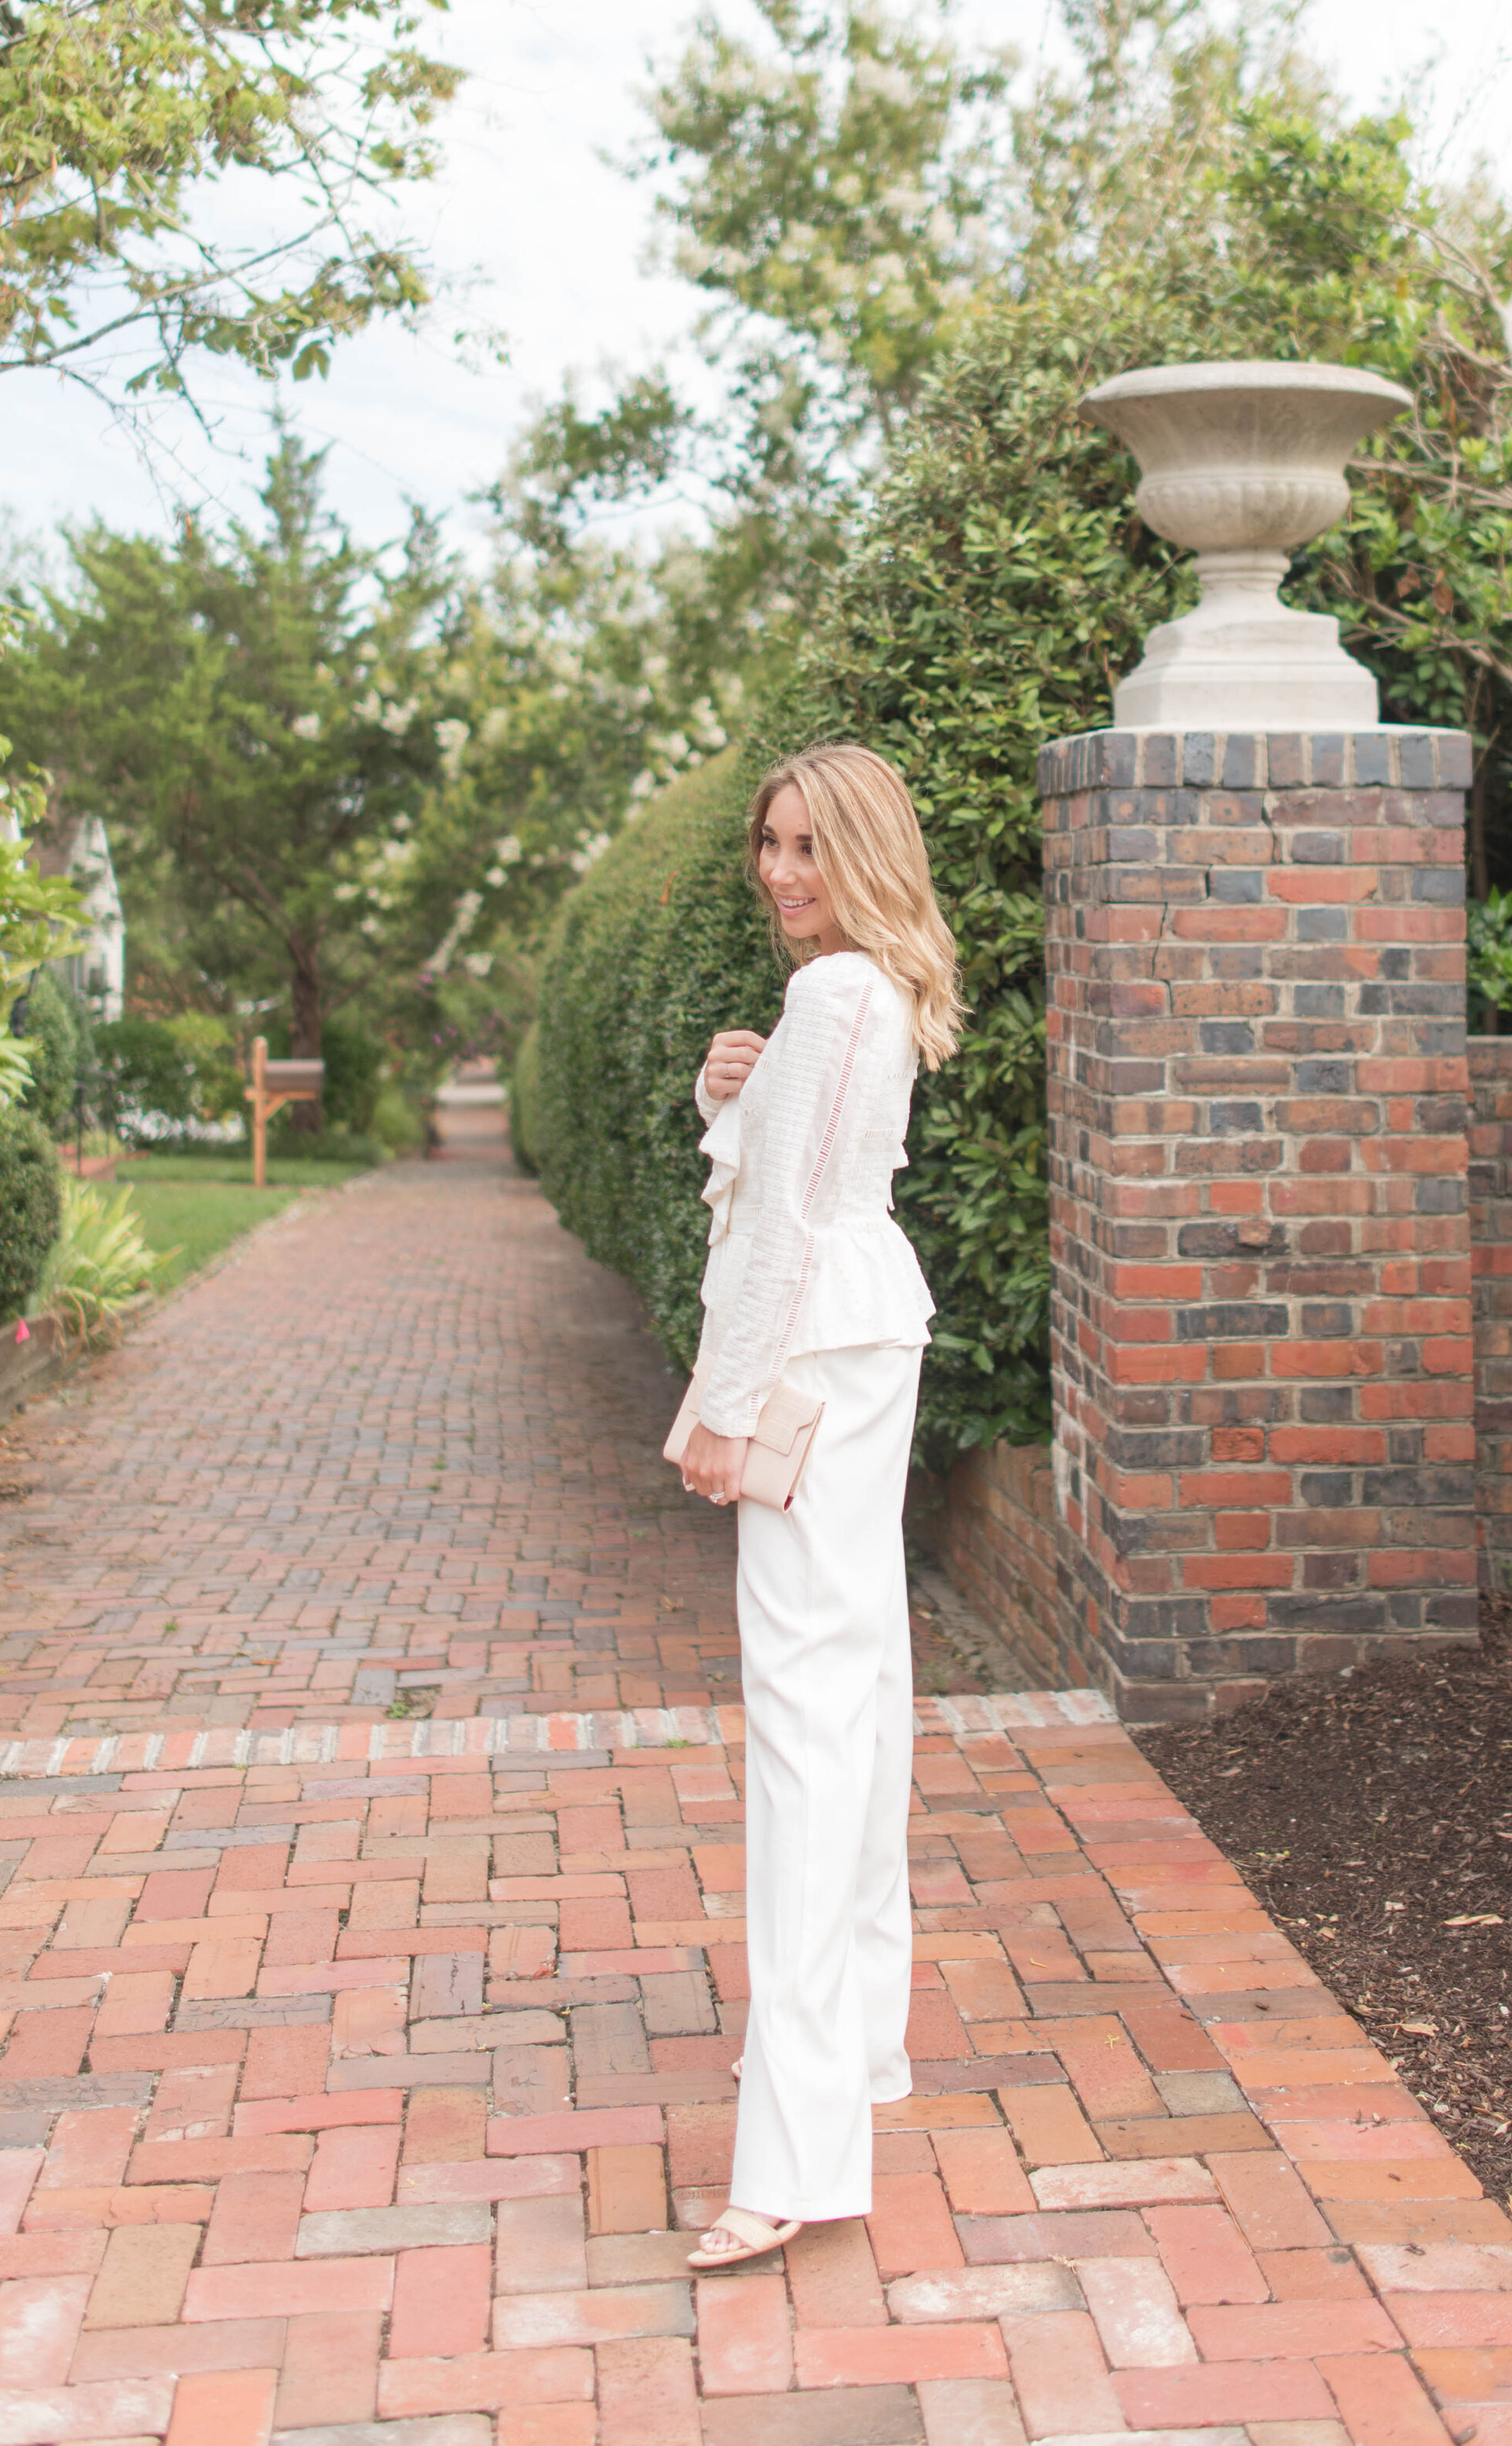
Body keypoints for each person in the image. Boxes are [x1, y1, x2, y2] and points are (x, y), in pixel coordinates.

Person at [672, 740, 963, 2273]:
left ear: (861, 853)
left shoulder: (835, 993)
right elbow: (795, 1173)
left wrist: (721, 1412)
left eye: (808, 847)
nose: (782, 872)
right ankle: (860, 2044)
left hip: (806, 1363)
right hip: (858, 1347)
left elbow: (780, 1230)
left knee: (804, 1720)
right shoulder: (861, 991)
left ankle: (791, 2157)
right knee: (859, 1684)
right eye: (770, 845)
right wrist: (727, 1087)